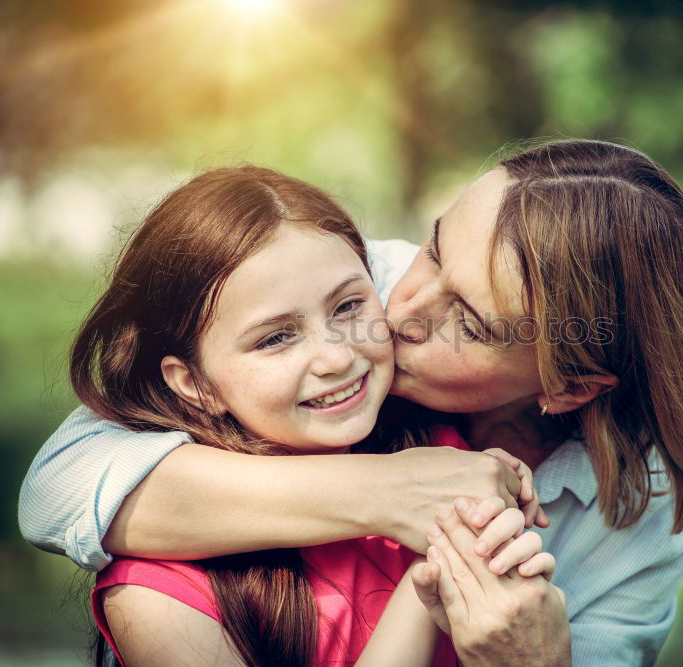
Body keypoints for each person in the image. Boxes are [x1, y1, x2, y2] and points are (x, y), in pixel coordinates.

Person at [21, 140, 683, 664]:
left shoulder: (642, 509)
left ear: (569, 387)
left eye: (473, 323)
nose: (404, 309)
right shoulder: (353, 290)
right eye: (437, 245)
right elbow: (59, 487)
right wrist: (393, 491)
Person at [64, 165, 556, 666]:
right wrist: (431, 572)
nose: (337, 358)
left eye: (347, 307)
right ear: (196, 384)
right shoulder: (156, 594)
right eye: (276, 337)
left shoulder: (442, 452)